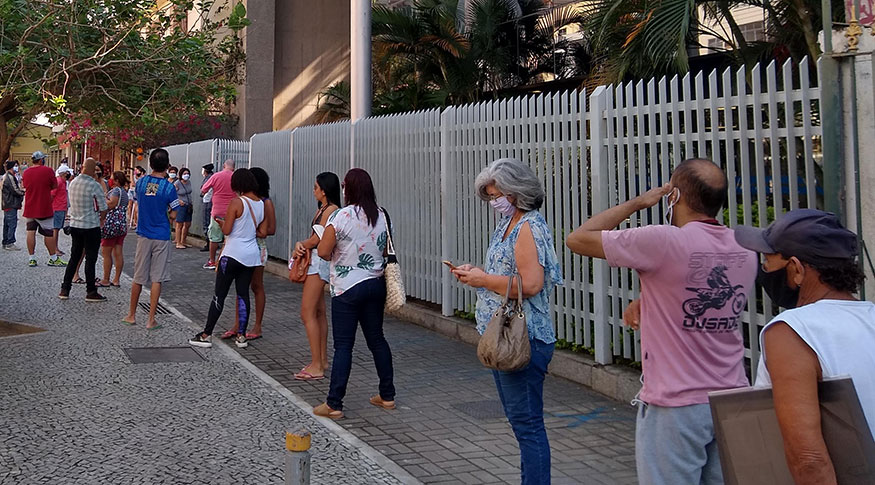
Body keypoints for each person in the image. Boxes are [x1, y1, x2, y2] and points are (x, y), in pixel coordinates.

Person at [566, 158, 757, 485]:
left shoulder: (663, 241)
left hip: (676, 405)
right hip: (731, 398)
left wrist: (639, 202)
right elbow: (700, 285)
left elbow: (579, 238)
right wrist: (648, 299)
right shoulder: (744, 247)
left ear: (675, 196)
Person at [734, 209, 874, 485]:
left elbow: (809, 459)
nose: (763, 269)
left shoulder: (791, 330)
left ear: (797, 269)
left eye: (768, 260)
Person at [451, 158, 564, 485]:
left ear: (518, 191)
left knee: (528, 426)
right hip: (504, 337)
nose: (494, 201)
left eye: (497, 194)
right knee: (522, 424)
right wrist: (477, 275)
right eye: (489, 196)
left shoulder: (528, 226)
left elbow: (531, 285)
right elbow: (505, 274)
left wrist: (484, 280)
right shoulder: (509, 223)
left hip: (525, 338)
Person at [312, 168, 395, 420]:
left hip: (347, 288)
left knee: (344, 346)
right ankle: (387, 395)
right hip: (375, 284)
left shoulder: (341, 216)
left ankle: (334, 403)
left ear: (348, 189)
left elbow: (325, 251)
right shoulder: (381, 215)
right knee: (377, 340)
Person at [189, 168, 267, 350]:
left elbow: (227, 230)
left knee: (219, 295)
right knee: (243, 294)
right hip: (251, 256)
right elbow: (261, 231)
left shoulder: (236, 202)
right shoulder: (261, 204)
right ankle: (241, 336)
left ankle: (206, 334)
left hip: (232, 254)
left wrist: (221, 223)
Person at [291, 172, 341, 379]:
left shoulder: (331, 210)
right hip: (319, 262)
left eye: (315, 187)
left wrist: (300, 245)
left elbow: (316, 239)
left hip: (318, 264)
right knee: (319, 313)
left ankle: (317, 364)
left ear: (324, 190)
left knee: (307, 312)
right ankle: (321, 359)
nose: (313, 191)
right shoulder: (326, 209)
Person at [122, 149, 179, 329]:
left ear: (151, 163)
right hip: (161, 235)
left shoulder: (140, 183)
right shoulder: (169, 187)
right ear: (167, 164)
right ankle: (151, 319)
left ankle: (131, 314)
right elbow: (174, 213)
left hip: (143, 234)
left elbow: (140, 201)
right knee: (157, 278)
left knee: (138, 277)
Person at [223, 167, 276, 341]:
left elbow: (271, 229)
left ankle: (257, 325)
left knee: (256, 286)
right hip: (245, 247)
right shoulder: (245, 201)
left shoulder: (265, 202)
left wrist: (252, 231)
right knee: (242, 287)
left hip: (257, 247)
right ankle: (238, 324)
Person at [59, 158, 108, 302]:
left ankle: (65, 288)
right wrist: (102, 220)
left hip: (75, 225)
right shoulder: (94, 185)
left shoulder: (73, 182)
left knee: (74, 257)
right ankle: (91, 291)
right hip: (91, 226)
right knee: (90, 259)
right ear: (93, 170)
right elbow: (103, 207)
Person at [22, 151, 65, 267]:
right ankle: (53, 258)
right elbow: (54, 186)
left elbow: (24, 186)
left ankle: (32, 258)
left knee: (30, 232)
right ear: (41, 160)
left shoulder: (26, 172)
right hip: (44, 206)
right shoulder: (48, 171)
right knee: (48, 233)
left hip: (30, 206)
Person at [200, 160, 235, 269]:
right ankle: (228, 260)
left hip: (217, 212)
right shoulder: (236, 177)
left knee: (214, 237)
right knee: (230, 237)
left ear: (224, 166)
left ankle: (212, 261)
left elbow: (204, 189)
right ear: (234, 167)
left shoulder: (216, 176)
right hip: (233, 212)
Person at [98, 171, 130, 288]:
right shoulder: (124, 192)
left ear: (116, 180)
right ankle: (116, 279)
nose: (110, 180)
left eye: (112, 178)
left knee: (106, 252)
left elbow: (111, 204)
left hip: (111, 224)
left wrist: (102, 198)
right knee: (118, 252)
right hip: (121, 224)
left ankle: (105, 279)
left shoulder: (116, 191)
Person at [2, 160, 24, 250]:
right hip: (10, 203)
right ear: (11, 167)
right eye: (15, 166)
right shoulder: (9, 177)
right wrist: (23, 192)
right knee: (12, 223)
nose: (17, 167)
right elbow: (14, 190)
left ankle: (6, 241)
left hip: (7, 203)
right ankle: (10, 242)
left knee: (7, 223)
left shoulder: (7, 176)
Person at [51, 165, 73, 255]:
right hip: (57, 208)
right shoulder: (59, 182)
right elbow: (52, 194)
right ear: (64, 173)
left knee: (57, 229)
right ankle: (54, 249)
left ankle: (56, 248)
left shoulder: (63, 182)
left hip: (61, 208)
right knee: (55, 229)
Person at [199, 163, 214, 252]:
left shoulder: (209, 179)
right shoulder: (211, 177)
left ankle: (208, 242)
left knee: (206, 222)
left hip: (207, 201)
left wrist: (202, 193)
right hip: (210, 201)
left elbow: (203, 191)